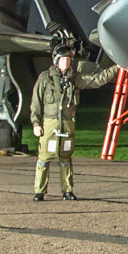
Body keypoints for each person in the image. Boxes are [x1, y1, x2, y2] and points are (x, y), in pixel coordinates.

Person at [29, 49, 119, 201]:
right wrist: (36, 123)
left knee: (65, 157)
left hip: (67, 122)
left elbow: (97, 80)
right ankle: (39, 191)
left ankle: (67, 191)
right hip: (50, 122)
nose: (66, 62)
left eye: (68, 60)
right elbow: (36, 103)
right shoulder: (45, 78)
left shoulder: (75, 78)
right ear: (56, 61)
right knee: (44, 157)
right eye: (63, 59)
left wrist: (117, 68)